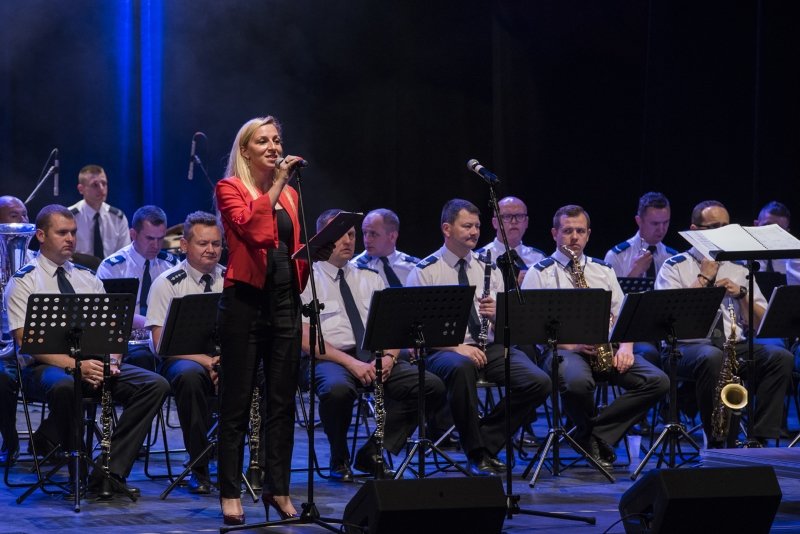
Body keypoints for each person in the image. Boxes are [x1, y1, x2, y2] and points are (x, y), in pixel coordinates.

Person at [4, 204, 169, 498]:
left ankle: (108, 471)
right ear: (41, 236)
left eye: (73, 232)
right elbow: (25, 341)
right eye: (62, 233)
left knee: (155, 385)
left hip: (92, 362)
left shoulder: (88, 278)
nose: (70, 239)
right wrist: (76, 366)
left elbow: (112, 332)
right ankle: (74, 466)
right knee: (67, 386)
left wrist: (113, 361)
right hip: (44, 367)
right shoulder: (23, 281)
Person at [215, 116, 316, 525]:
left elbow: (292, 245)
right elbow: (254, 230)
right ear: (246, 150)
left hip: (285, 300)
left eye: (277, 140)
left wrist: (314, 254)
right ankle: (230, 492)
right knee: (236, 402)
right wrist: (276, 185)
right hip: (245, 301)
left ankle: (278, 488)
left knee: (282, 402)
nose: (274, 147)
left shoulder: (290, 195)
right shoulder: (229, 188)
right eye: (263, 141)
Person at [405, 198, 551, 476]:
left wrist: (498, 315)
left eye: (477, 226)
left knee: (539, 382)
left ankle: (483, 439)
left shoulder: (489, 268)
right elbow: (417, 329)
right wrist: (457, 347)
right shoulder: (425, 271)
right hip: (442, 350)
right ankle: (475, 452)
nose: (474, 232)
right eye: (467, 226)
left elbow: (507, 323)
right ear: (447, 229)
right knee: (462, 368)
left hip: (486, 346)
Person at [303, 209, 445, 482]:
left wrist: (389, 358)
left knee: (430, 386)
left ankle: (373, 451)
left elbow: (393, 327)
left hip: (374, 355)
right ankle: (339, 458)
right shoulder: (307, 278)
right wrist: (352, 363)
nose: (348, 240)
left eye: (351, 234)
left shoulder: (370, 277)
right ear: (320, 238)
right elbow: (304, 336)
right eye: (340, 235)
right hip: (331, 358)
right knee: (337, 390)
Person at [521, 204, 668, 468]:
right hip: (562, 351)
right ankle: (592, 437)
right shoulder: (539, 272)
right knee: (577, 383)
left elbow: (623, 315)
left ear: (588, 235)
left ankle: (592, 434)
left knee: (657, 381)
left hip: (605, 348)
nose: (574, 237)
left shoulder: (603, 270)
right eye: (567, 231)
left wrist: (626, 348)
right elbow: (531, 327)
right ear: (555, 234)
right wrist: (572, 346)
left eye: (580, 231)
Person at [655, 200, 793, 447]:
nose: (721, 232)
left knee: (779, 357)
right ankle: (717, 441)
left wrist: (742, 294)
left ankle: (759, 439)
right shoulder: (674, 266)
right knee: (712, 357)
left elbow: (763, 323)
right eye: (713, 227)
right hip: (685, 348)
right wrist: (704, 277)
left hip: (732, 346)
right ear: (694, 231)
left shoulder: (739, 267)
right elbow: (671, 321)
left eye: (725, 226)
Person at [145, 211, 225, 494]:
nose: (211, 249)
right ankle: (199, 467)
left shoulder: (231, 279)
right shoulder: (167, 282)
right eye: (203, 243)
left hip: (223, 358)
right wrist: (205, 361)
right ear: (184, 245)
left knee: (261, 372)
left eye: (216, 243)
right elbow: (160, 344)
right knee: (189, 377)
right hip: (180, 359)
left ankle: (253, 466)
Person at [96, 205, 178, 370]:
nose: (156, 245)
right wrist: (150, 323)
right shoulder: (113, 267)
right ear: (133, 234)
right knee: (143, 358)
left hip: (164, 336)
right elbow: (107, 312)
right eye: (149, 238)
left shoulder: (171, 264)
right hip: (127, 338)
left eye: (160, 238)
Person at [0, 195, 31, 466]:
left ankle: (49, 439)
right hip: (4, 350)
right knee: (2, 378)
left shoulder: (37, 262)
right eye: (14, 215)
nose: (22, 221)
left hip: (35, 348)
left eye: (25, 215)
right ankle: (10, 442)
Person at [476, 196, 545, 288]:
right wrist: (513, 287)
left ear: (526, 222)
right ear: (495, 223)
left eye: (519, 216)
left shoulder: (539, 258)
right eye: (507, 216)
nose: (514, 221)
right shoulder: (480, 258)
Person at [604, 192, 675, 279]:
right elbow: (609, 288)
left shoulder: (673, 257)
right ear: (639, 221)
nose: (661, 229)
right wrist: (636, 272)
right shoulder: (617, 256)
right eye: (655, 223)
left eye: (665, 222)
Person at [68, 164, 130, 264]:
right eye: (95, 185)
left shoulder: (117, 218)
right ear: (81, 189)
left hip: (111, 272)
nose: (101, 188)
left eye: (104, 183)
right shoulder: (69, 217)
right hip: (77, 271)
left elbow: (124, 255)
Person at [352, 208, 419, 287]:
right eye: (365, 233)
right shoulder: (354, 269)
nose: (367, 240)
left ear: (392, 236)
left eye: (373, 234)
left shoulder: (413, 268)